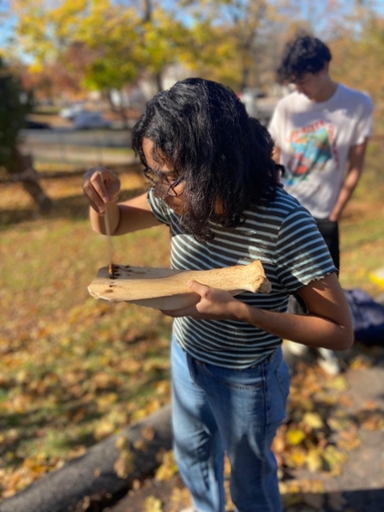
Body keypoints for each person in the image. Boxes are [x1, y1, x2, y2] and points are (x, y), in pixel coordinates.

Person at [83, 78, 353, 512]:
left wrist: (243, 312)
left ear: (217, 165)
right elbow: (110, 225)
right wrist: (100, 200)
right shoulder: (176, 199)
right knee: (192, 455)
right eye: (154, 174)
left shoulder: (286, 224)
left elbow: (340, 332)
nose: (160, 190)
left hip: (248, 379)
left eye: (169, 177)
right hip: (186, 355)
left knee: (249, 480)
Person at [269, 34, 373, 375]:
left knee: (327, 287)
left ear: (324, 66)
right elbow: (275, 155)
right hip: (286, 211)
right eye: (292, 82)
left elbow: (355, 164)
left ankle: (326, 346)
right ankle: (296, 339)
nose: (298, 89)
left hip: (325, 213)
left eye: (303, 80)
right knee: (285, 281)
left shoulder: (357, 104)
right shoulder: (288, 107)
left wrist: (336, 209)